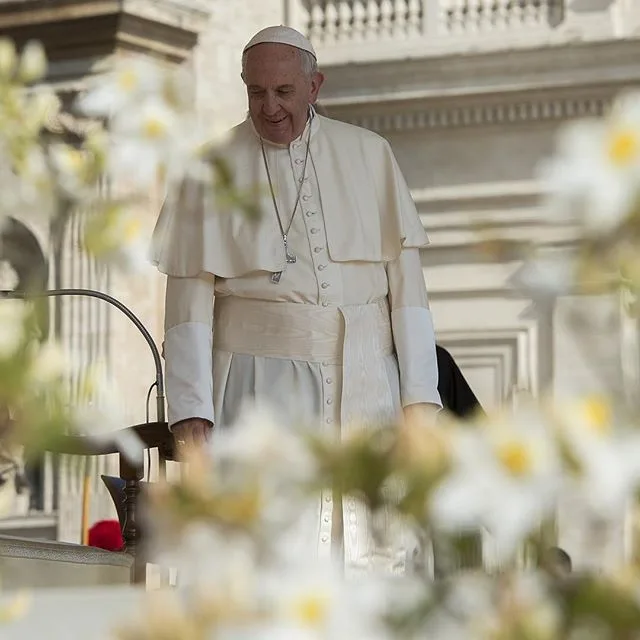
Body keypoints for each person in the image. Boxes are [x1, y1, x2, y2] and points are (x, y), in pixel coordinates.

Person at [151, 25, 442, 572]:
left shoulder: (369, 154)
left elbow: (409, 297)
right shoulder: (208, 170)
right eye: (256, 93)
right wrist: (191, 414)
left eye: (283, 92)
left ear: (315, 86)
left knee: (370, 557)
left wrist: (419, 403)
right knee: (269, 552)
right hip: (258, 389)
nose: (270, 107)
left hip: (365, 382)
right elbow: (187, 307)